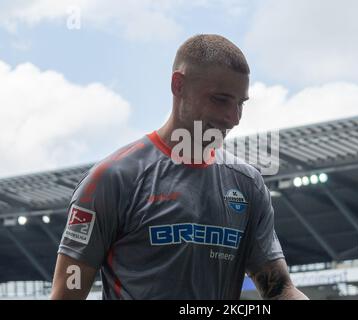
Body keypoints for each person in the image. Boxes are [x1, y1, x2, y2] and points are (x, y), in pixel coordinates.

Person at [50, 34, 308, 300]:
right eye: (220, 100)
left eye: (240, 103)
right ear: (178, 85)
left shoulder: (247, 184)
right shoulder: (111, 181)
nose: (233, 118)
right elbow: (67, 294)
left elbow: (278, 289)